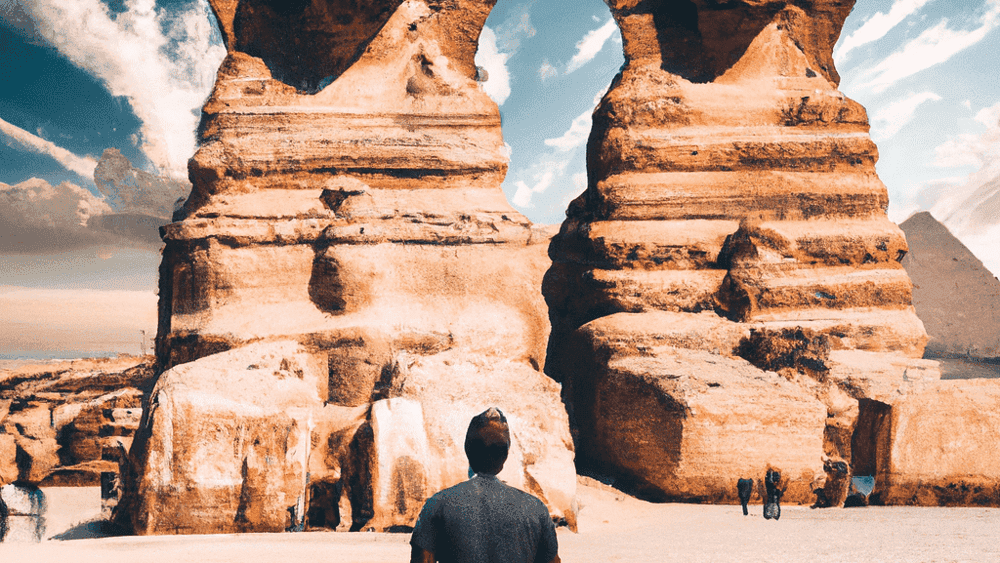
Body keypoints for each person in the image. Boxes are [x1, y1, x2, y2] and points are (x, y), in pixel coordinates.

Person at [409, 407, 561, 563]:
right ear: (505, 455)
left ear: (467, 449)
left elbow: (422, 559)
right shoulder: (536, 509)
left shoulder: (437, 505)